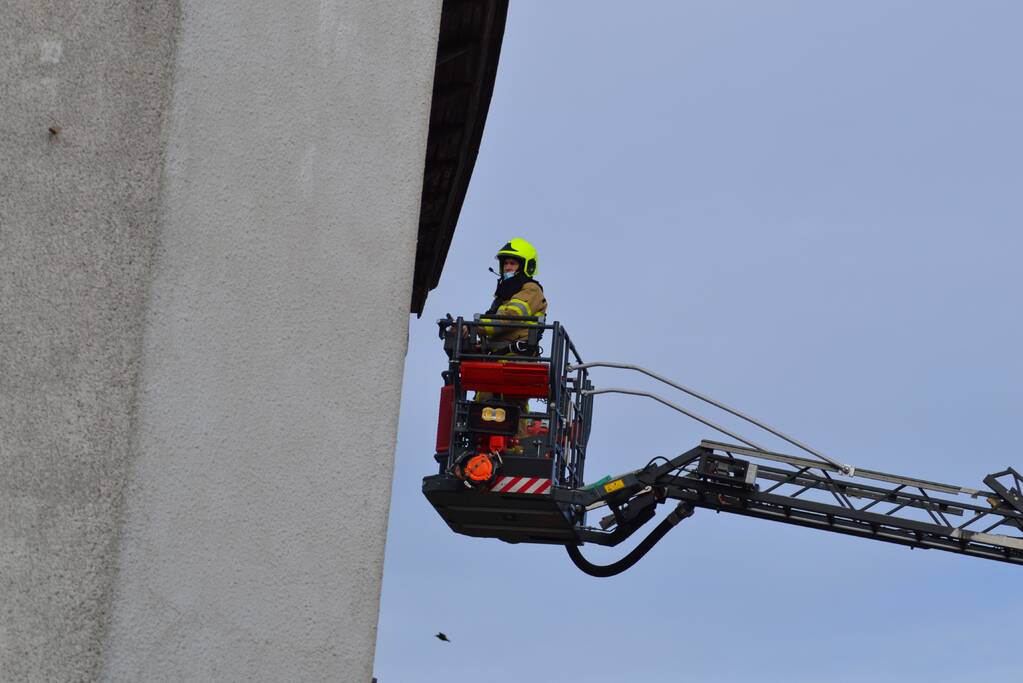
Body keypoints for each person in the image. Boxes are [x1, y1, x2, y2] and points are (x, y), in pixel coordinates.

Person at [475, 239, 548, 446]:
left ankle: (516, 446)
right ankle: (481, 445)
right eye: (505, 263)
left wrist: (475, 327)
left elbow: (509, 318)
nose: (507, 267)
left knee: (513, 405)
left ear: (526, 266)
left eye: (513, 263)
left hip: (517, 360)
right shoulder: (504, 294)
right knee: (483, 403)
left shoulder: (531, 290)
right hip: (497, 359)